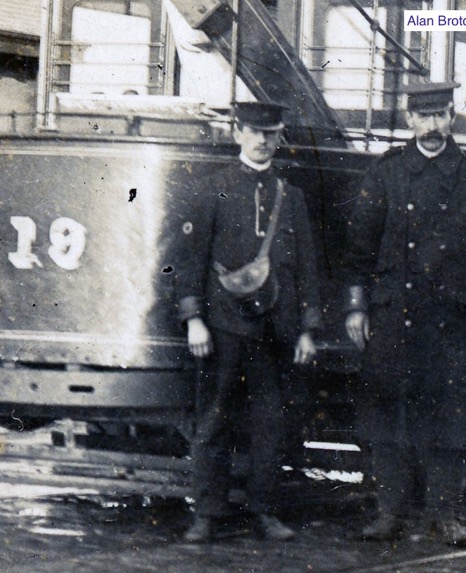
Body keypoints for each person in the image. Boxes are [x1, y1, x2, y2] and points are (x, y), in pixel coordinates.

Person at [343, 82, 466, 546]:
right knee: (388, 421)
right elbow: (360, 247)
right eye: (424, 117)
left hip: (451, 321)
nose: (433, 126)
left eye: (441, 116)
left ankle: (446, 515)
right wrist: (357, 308)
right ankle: (390, 513)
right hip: (393, 318)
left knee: (451, 422)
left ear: (452, 117)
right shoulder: (387, 172)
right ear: (410, 120)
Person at [176, 101, 322, 543]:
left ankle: (265, 510)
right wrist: (193, 320)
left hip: (275, 331)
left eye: (272, 133)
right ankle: (208, 512)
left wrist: (308, 329)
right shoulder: (212, 188)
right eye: (255, 132)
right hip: (222, 328)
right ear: (238, 133)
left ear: (280, 137)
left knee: (268, 424)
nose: (263, 141)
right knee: (214, 419)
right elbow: (189, 260)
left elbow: (308, 268)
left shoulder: (289, 197)